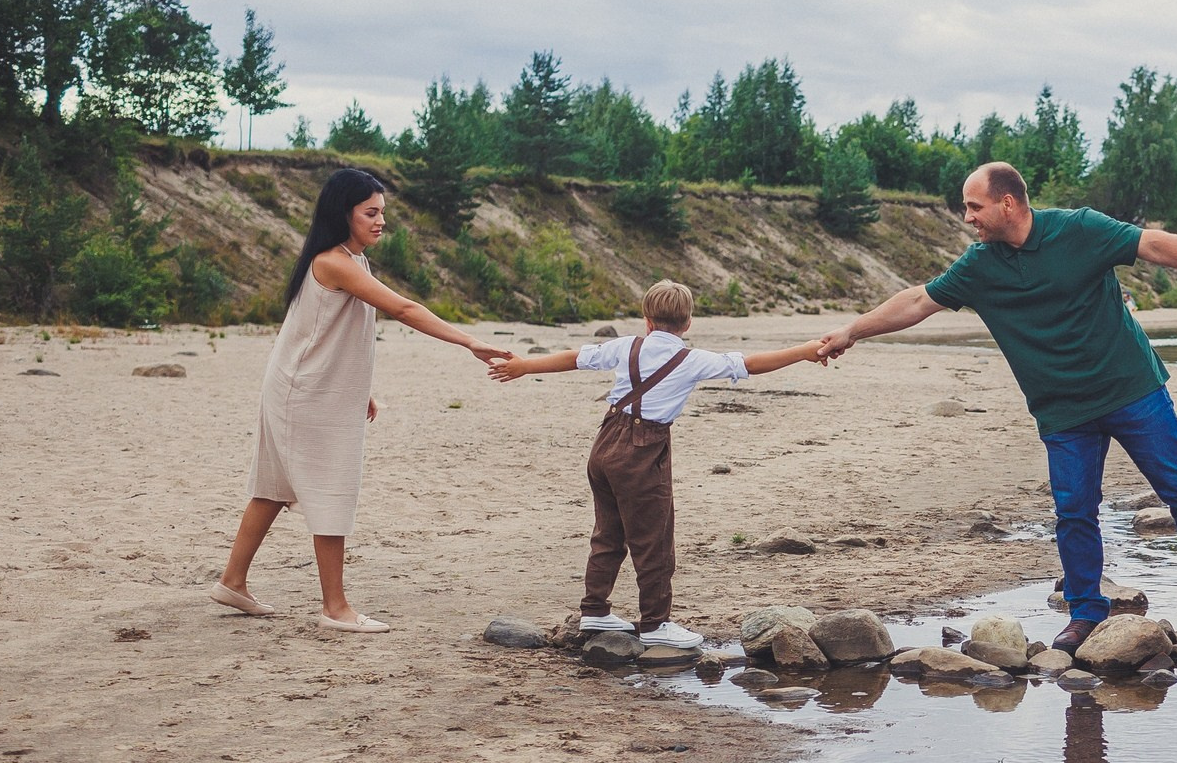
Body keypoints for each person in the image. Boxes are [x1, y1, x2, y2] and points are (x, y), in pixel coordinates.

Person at [815, 162, 1177, 652]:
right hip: (1063, 410)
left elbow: (1154, 244)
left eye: (974, 206)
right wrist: (851, 331)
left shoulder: (1080, 229)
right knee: (1074, 512)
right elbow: (918, 302)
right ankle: (1086, 614)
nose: (968, 218)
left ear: (1007, 203)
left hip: (1132, 389)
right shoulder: (979, 265)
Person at [214, 168, 512, 631]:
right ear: (344, 213)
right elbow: (403, 308)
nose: (380, 222)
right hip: (305, 393)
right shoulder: (332, 262)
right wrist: (468, 342)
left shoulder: (349, 260)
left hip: (303, 386)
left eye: (383, 214)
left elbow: (320, 333)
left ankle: (232, 581)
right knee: (331, 489)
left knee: (273, 487)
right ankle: (335, 608)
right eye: (370, 213)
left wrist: (359, 388)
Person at [491, 280, 825, 649]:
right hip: (642, 450)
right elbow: (749, 364)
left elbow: (574, 357)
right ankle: (655, 624)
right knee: (654, 540)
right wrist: (805, 351)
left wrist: (523, 366)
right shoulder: (692, 359)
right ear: (688, 324)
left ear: (647, 320)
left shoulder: (626, 346)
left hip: (604, 445)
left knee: (608, 531)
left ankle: (595, 610)